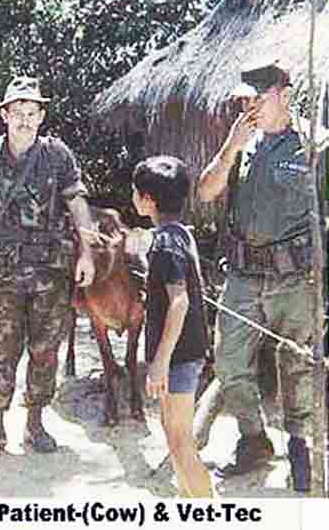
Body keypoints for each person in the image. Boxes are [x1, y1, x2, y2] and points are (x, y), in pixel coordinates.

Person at [0, 75, 95, 466]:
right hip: (1, 272)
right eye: (17, 112)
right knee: (0, 350)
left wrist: (86, 253)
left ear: (41, 116)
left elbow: (77, 203)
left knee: (45, 350)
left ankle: (35, 423)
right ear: (5, 115)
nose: (24, 119)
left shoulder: (57, 156)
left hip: (50, 271)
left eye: (31, 112)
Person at [198, 59, 315, 491]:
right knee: (229, 362)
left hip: (295, 278)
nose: (248, 108)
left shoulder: (315, 145)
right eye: (243, 100)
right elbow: (206, 191)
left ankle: (299, 444)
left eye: (257, 98)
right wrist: (231, 147)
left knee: (296, 364)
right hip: (244, 276)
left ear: (283, 94)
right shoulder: (242, 144)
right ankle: (254, 439)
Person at [131, 155, 214, 498]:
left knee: (179, 441)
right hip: (185, 351)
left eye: (136, 192)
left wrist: (160, 362)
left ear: (148, 199)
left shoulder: (165, 243)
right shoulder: (178, 234)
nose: (132, 198)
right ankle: (187, 499)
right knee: (173, 433)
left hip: (178, 356)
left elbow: (179, 302)